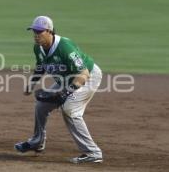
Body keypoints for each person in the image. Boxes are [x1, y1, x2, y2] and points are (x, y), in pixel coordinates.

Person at [14, 16, 103, 163]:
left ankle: (92, 153)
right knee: (41, 106)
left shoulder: (64, 47)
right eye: (34, 32)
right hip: (66, 79)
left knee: (70, 109)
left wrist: (66, 92)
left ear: (49, 31)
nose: (36, 35)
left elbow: (84, 73)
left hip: (88, 77)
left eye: (39, 32)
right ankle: (37, 141)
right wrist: (32, 83)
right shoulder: (38, 47)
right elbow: (41, 66)